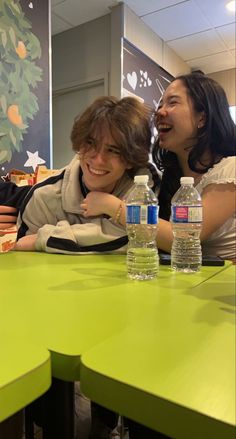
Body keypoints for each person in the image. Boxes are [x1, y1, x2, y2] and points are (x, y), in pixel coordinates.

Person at [15, 96, 156, 254]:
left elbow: (146, 235)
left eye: (113, 150)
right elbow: (23, 254)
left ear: (131, 160)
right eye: (90, 143)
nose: (98, 159)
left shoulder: (144, 188)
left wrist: (45, 238)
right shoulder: (43, 197)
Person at [153, 72, 236, 261]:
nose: (160, 112)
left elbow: (184, 238)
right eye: (160, 105)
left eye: (172, 103)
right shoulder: (170, 179)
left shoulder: (231, 169)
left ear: (202, 118)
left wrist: (116, 209)